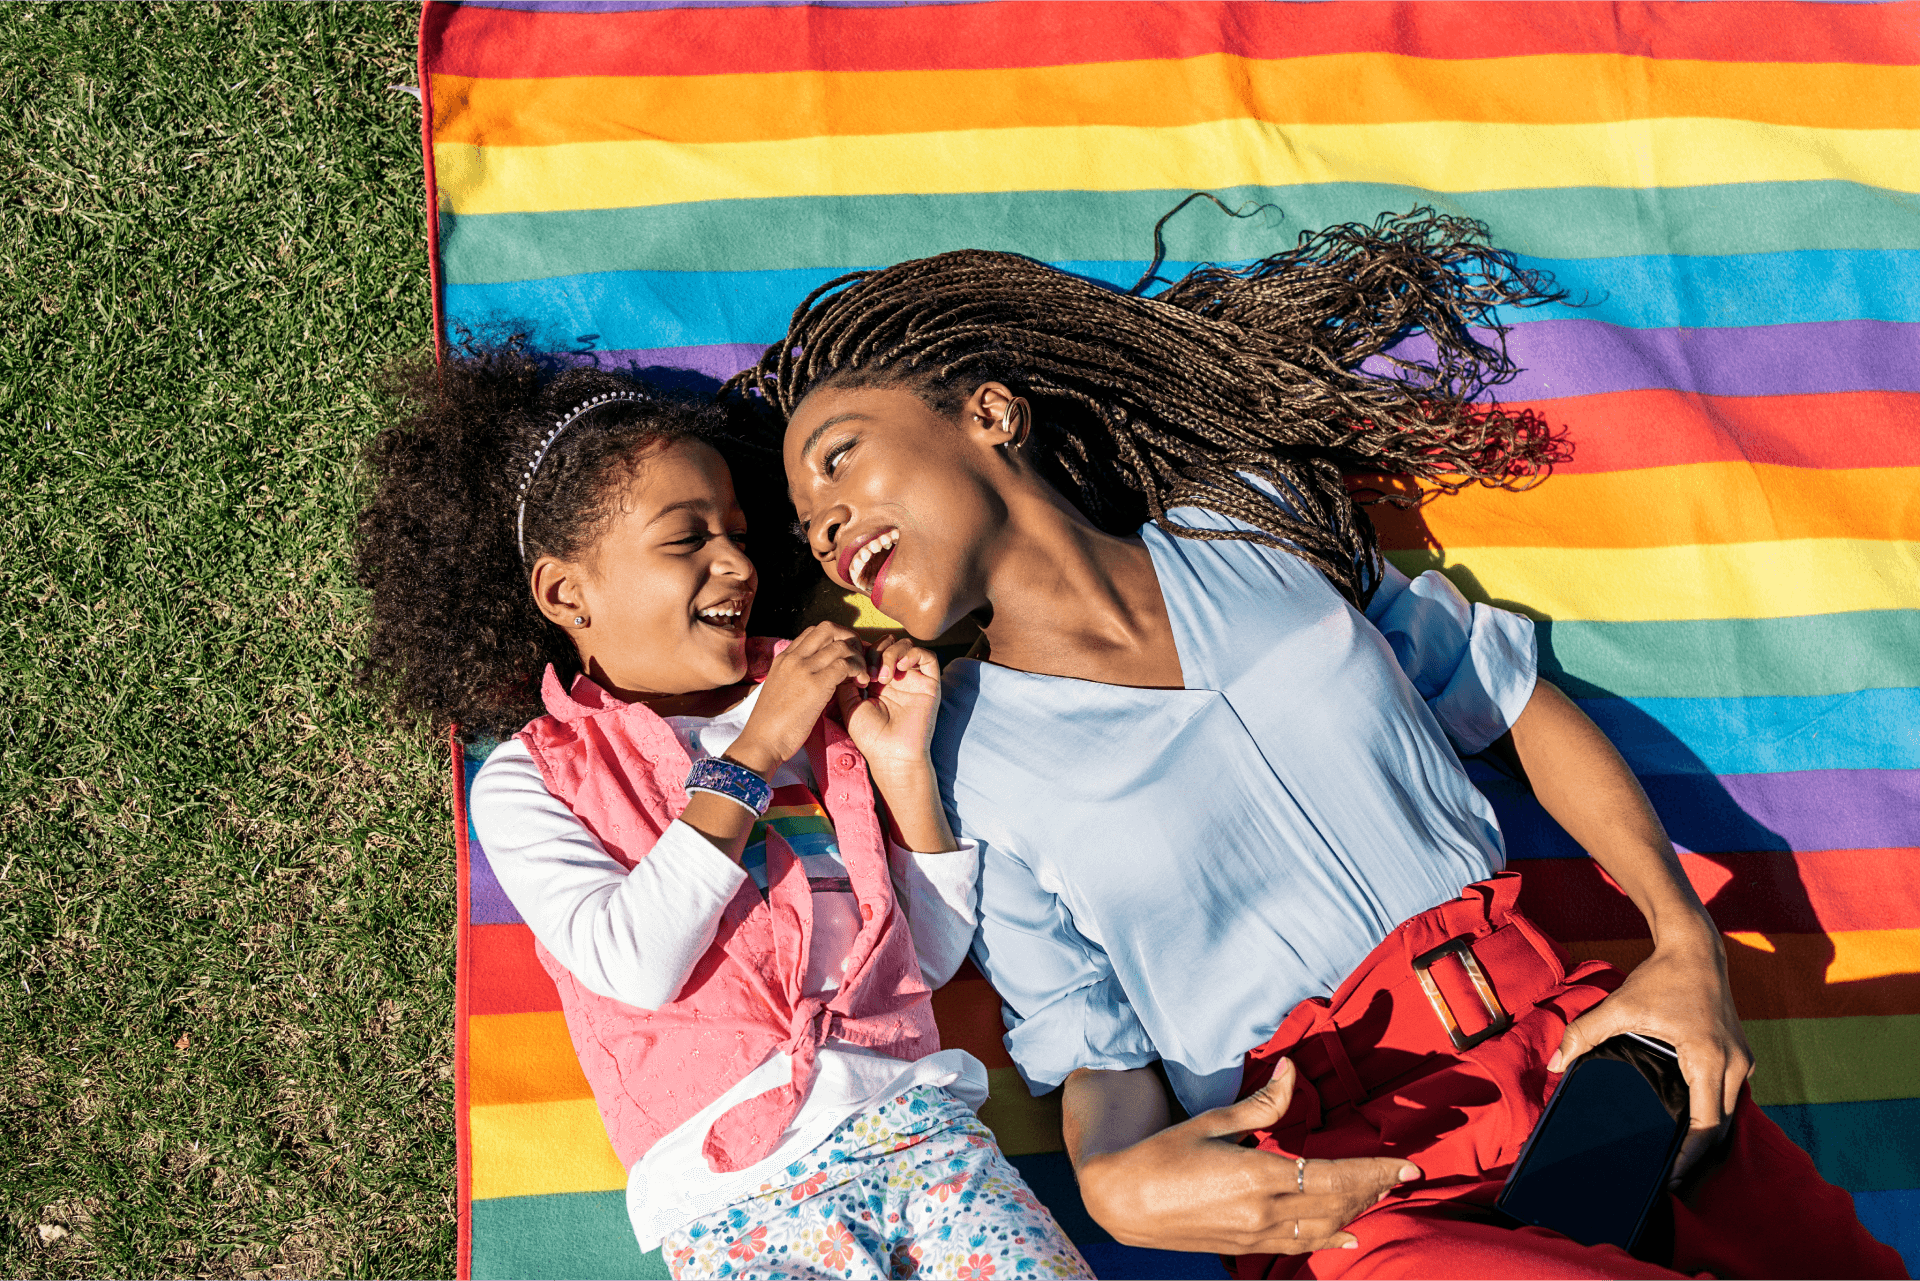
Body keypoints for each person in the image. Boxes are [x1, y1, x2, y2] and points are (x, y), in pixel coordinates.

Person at [728, 211, 1907, 1280]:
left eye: (838, 457)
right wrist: (1116, 1187)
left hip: (1596, 1072)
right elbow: (1086, 1041)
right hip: (1342, 1191)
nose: (827, 526)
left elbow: (1506, 702)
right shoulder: (955, 753)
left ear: (990, 413)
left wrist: (1685, 944)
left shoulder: (1252, 521)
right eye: (808, 523)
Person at [355, 346, 1093, 1281]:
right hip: (733, 1195)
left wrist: (902, 768)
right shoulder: (531, 777)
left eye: (739, 532)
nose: (736, 563)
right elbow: (635, 961)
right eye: (686, 539)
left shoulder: (821, 713)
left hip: (926, 1143)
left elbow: (927, 961)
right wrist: (754, 751)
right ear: (565, 593)